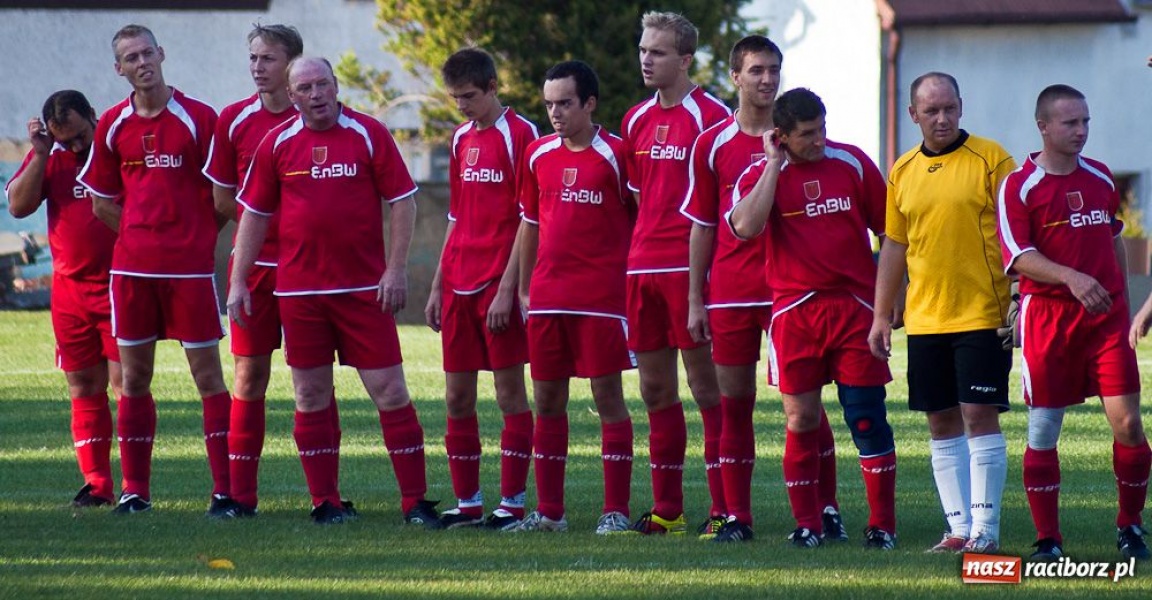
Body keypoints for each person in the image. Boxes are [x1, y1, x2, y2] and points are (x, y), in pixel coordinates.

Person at [229, 56, 440, 527]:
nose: (316, 94)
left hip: (366, 291)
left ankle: (415, 503)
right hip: (300, 294)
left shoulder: (368, 133)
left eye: (323, 84)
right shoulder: (277, 143)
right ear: (291, 94)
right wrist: (238, 279)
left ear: (336, 85)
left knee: (390, 390)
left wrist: (396, 269)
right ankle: (325, 501)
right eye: (304, 88)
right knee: (310, 395)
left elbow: (402, 201)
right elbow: (255, 215)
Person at [681, 35, 844, 543]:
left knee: (806, 409)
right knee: (735, 404)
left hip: (791, 295)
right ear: (735, 76)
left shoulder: (801, 137)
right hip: (731, 293)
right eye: (756, 70)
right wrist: (694, 297)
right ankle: (736, 516)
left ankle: (826, 510)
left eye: (774, 69)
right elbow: (703, 225)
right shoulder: (711, 144)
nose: (767, 79)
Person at [730, 88, 897, 550]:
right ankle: (809, 524)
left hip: (854, 310)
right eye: (807, 134)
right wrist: (772, 165)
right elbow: (744, 227)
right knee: (801, 420)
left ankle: (882, 525)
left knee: (866, 419)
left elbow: (891, 233)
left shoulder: (853, 164)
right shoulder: (762, 174)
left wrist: (889, 301)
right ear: (780, 136)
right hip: (794, 314)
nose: (819, 139)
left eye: (822, 128)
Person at [78, 24, 231, 516]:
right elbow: (102, 201)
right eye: (131, 57)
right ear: (118, 69)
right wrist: (142, 238)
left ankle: (224, 492)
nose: (142, 62)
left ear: (162, 55)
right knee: (134, 378)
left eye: (148, 52)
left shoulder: (199, 118)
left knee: (207, 376)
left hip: (189, 271)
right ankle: (135, 491)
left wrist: (196, 239)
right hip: (132, 273)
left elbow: (223, 196)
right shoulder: (111, 123)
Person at [1002, 84, 1150, 561]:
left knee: (1128, 423)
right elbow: (1018, 255)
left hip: (1105, 320)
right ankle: (1048, 538)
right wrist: (1070, 277)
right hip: (1049, 319)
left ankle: (1130, 526)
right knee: (1044, 430)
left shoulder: (1102, 178)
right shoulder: (1019, 185)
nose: (1082, 131)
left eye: (1086, 121)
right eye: (1071, 123)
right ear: (1043, 126)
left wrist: (1123, 304)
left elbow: (1114, 240)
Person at [868, 72, 1014, 553]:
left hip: (982, 312)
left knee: (978, 413)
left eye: (950, 108)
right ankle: (957, 530)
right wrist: (880, 313)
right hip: (927, 318)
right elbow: (894, 244)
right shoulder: (902, 170)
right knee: (940, 420)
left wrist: (1018, 298)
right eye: (931, 111)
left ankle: (985, 533)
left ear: (961, 106)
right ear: (914, 115)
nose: (943, 118)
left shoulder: (992, 160)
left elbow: (1018, 234)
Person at [512, 60, 636, 534]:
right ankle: (549, 512)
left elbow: (640, 218)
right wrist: (524, 287)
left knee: (608, 400)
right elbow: (531, 221)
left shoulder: (617, 155)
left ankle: (615, 511)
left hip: (601, 300)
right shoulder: (538, 154)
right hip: (548, 298)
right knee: (546, 403)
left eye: (565, 103)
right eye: (548, 104)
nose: (555, 113)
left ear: (589, 103)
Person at [619, 11, 727, 535]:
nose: (646, 58)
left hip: (690, 273)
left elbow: (715, 205)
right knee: (655, 392)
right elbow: (641, 196)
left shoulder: (712, 117)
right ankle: (669, 510)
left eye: (657, 52)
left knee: (709, 392)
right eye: (643, 49)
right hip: (641, 270)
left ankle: (724, 509)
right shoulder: (635, 120)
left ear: (684, 59)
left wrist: (701, 285)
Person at [424, 48, 538, 530]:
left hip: (498, 281)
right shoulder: (459, 139)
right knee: (456, 398)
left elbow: (529, 219)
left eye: (469, 96)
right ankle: (468, 502)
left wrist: (509, 287)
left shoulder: (522, 135)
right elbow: (456, 215)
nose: (462, 106)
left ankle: (512, 502)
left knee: (510, 393)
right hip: (458, 282)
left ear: (493, 87)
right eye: (454, 98)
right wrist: (436, 284)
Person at [203, 23, 303, 519]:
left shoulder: (316, 118)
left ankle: (325, 498)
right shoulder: (234, 120)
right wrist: (255, 232)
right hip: (256, 270)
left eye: (268, 59)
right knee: (249, 376)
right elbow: (223, 196)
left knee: (314, 382)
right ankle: (238, 496)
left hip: (311, 272)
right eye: (254, 59)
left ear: (292, 64)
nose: (258, 67)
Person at [6, 90, 121, 508]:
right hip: (71, 292)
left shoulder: (114, 149)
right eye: (64, 141)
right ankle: (97, 484)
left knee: (128, 385)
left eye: (80, 137)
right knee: (83, 385)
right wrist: (39, 154)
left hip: (120, 286)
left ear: (94, 116)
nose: (74, 147)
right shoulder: (49, 157)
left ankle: (136, 488)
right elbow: (18, 206)